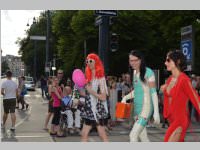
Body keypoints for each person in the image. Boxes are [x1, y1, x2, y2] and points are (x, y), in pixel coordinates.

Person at [161, 50, 200, 142]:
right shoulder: (169, 79)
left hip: (180, 121)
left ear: (177, 61)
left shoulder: (184, 80)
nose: (165, 63)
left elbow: (196, 100)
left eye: (168, 60)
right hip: (170, 120)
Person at [121, 50, 160, 142]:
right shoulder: (134, 73)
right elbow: (137, 91)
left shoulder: (148, 72)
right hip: (137, 109)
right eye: (131, 60)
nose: (133, 63)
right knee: (144, 138)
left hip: (146, 108)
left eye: (136, 60)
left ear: (141, 60)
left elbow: (153, 93)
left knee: (133, 136)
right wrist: (125, 97)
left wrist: (156, 112)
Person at [80, 53, 109, 142]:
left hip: (97, 110)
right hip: (89, 109)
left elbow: (104, 97)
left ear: (96, 62)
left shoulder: (101, 79)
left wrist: (91, 92)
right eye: (87, 61)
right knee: (84, 134)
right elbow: (86, 94)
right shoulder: (88, 78)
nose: (88, 62)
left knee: (102, 135)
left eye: (91, 61)